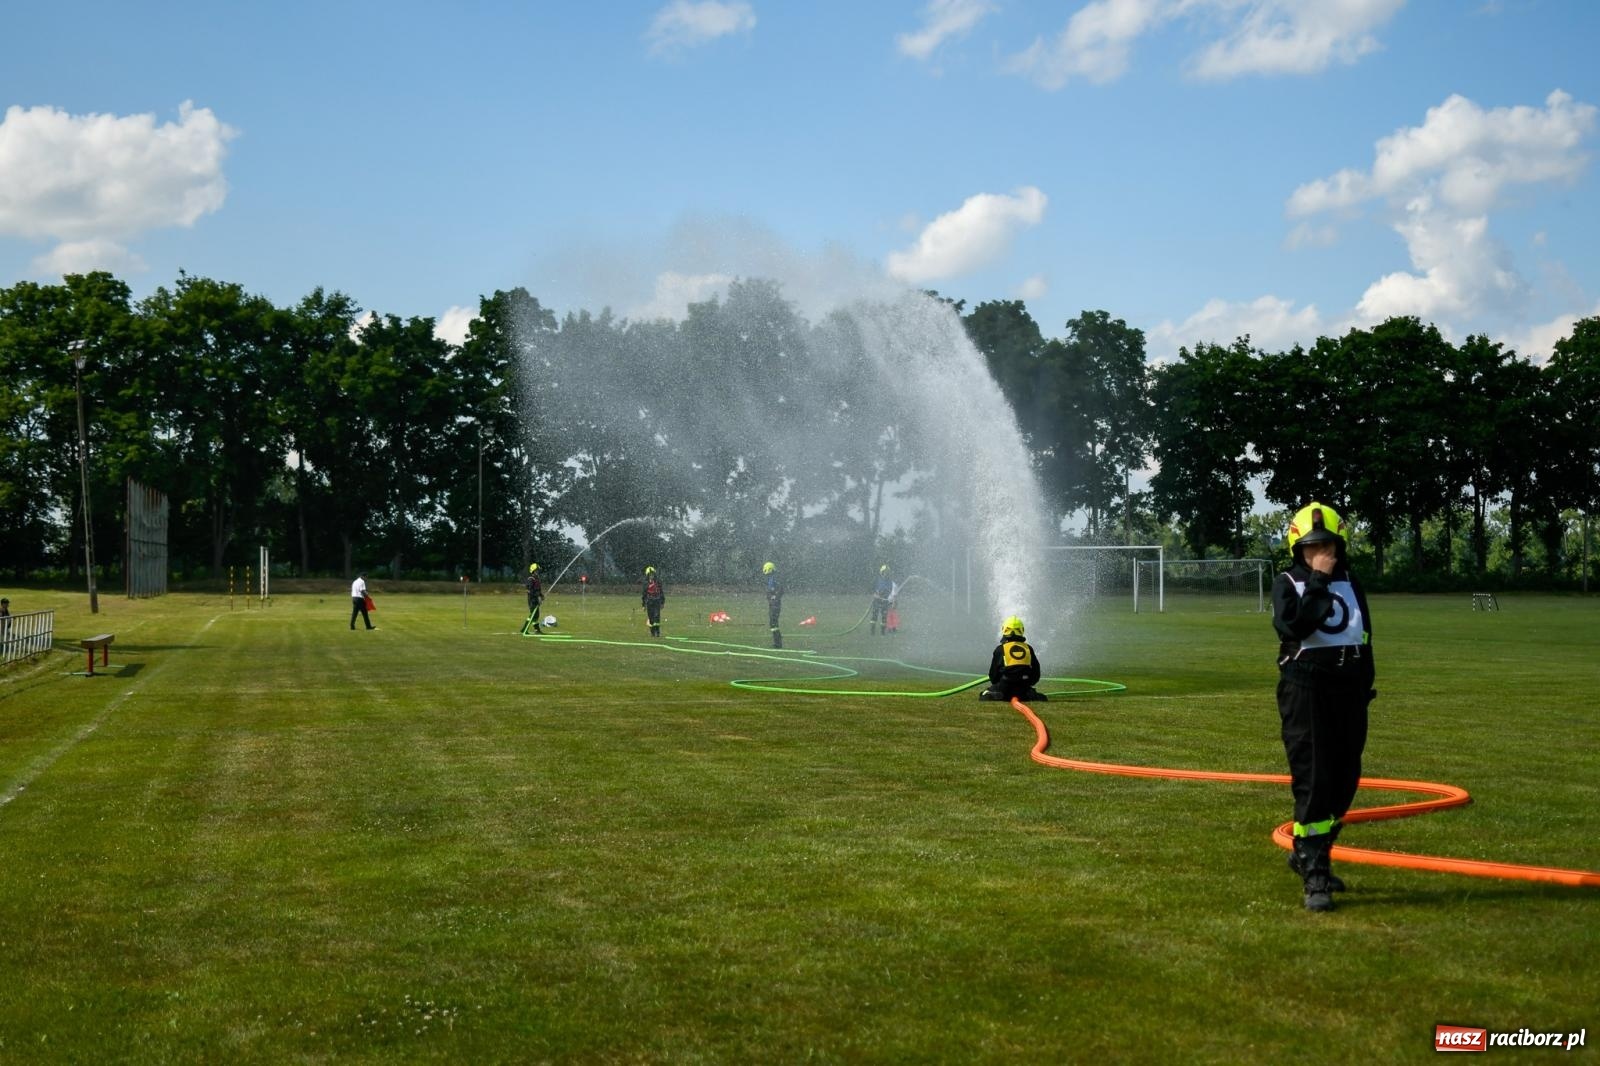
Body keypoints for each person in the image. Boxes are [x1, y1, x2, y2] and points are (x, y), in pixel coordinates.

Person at [1272, 501, 1375, 913]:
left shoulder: (1352, 581)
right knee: (1314, 780)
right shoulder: (1288, 583)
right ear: (1298, 549)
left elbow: (1363, 635)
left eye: (1328, 545)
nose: (1322, 553)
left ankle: (1309, 851)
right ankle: (1315, 873)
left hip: (1349, 692)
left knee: (1346, 778)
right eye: (1312, 547)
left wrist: (1365, 684)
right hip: (1306, 692)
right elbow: (1297, 625)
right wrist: (1318, 580)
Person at [978, 616, 1047, 702]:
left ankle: (999, 695)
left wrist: (998, 684)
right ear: (1022, 630)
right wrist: (1028, 684)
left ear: (1004, 629)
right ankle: (1029, 694)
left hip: (1005, 687)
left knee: (983, 695)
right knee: (1042, 697)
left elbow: (993, 676)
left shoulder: (1000, 649)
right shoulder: (1028, 648)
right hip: (1024, 687)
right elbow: (1036, 674)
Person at [763, 561, 784, 649]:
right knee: (773, 623)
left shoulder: (774, 579)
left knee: (773, 622)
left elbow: (780, 590)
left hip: (775, 605)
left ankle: (778, 643)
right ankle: (777, 641)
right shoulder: (771, 579)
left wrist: (775, 598)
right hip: (772, 604)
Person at [641, 565, 666, 639]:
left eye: (652, 575)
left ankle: (657, 632)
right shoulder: (646, 584)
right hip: (649, 602)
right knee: (651, 617)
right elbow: (644, 595)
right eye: (650, 575)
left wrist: (662, 602)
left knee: (657, 616)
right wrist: (643, 605)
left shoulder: (658, 582)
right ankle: (652, 632)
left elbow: (661, 592)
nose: (651, 576)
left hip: (657, 601)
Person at [868, 565, 893, 636]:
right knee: (874, 616)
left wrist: (887, 596)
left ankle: (882, 633)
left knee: (884, 617)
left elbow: (890, 590)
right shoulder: (877, 580)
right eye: (885, 572)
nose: (886, 574)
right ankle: (872, 632)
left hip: (885, 601)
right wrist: (875, 594)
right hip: (876, 600)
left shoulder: (890, 581)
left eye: (887, 572)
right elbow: (872, 588)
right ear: (882, 572)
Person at [523, 563, 544, 635]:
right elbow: (529, 590)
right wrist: (536, 595)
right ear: (533, 571)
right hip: (532, 600)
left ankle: (537, 630)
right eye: (537, 570)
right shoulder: (530, 579)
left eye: (538, 570)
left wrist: (541, 595)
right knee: (533, 615)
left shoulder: (537, 579)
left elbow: (538, 590)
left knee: (536, 615)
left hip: (536, 599)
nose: (538, 572)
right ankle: (524, 629)